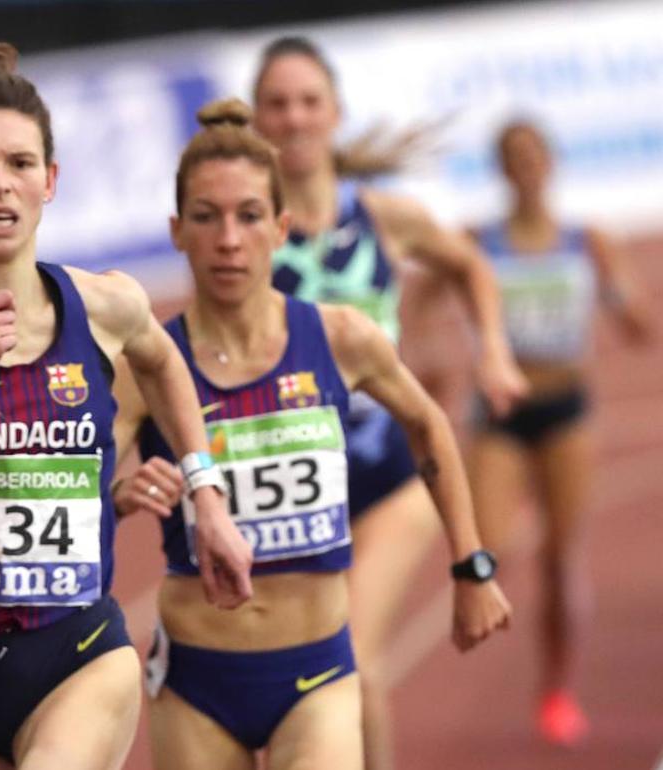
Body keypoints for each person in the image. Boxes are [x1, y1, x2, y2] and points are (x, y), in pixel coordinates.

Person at [0, 41, 253, 770]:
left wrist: (208, 494)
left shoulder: (107, 306)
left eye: (19, 164)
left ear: (51, 180)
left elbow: (166, 367)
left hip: (78, 654)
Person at [111, 97, 511, 770]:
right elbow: (80, 486)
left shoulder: (339, 337)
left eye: (249, 217)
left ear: (281, 227)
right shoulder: (145, 366)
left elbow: (428, 424)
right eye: (206, 218)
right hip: (195, 682)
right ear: (177, 231)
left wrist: (471, 565)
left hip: (318, 674)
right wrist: (122, 494)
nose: (229, 239)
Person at [246, 36, 529, 770]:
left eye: (310, 102)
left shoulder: (383, 217)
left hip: (386, 474)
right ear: (256, 118)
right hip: (281, 490)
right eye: (278, 103)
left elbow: (470, 262)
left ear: (336, 113)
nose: (295, 117)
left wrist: (492, 348)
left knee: (354, 663)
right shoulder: (242, 234)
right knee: (271, 683)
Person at [467, 119, 653, 747]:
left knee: (561, 560)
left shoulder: (587, 241)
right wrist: (427, 351)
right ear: (501, 167)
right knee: (490, 549)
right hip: (499, 415)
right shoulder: (479, 244)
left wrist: (627, 302)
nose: (526, 165)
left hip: (565, 412)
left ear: (550, 163)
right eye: (513, 156)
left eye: (534, 154)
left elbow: (638, 323)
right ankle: (516, 513)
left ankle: (556, 690)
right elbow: (423, 306)